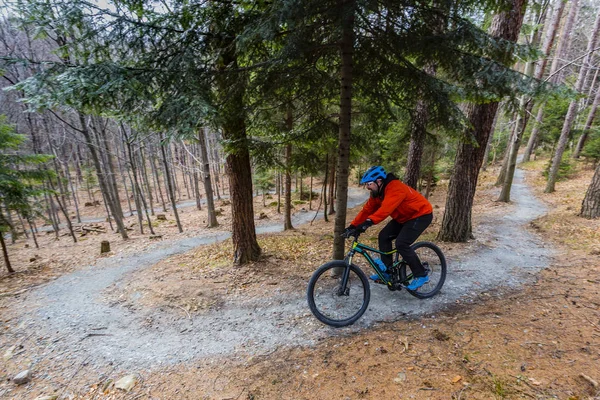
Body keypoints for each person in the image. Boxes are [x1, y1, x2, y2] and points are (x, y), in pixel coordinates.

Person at [343, 166, 433, 290]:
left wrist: (368, 223)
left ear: (379, 181)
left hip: (421, 215)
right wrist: (352, 226)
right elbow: (367, 210)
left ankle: (421, 274)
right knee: (384, 236)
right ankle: (388, 272)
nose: (367, 187)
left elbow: (385, 210)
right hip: (403, 217)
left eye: (369, 184)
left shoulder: (395, 188)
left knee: (401, 243)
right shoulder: (377, 193)